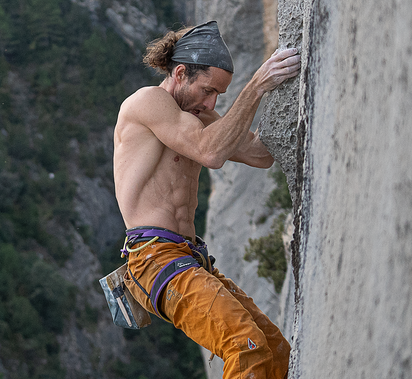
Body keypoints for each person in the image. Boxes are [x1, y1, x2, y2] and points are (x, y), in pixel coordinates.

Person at [114, 21, 299, 379]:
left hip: (189, 257)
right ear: (180, 73)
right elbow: (210, 152)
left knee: (275, 351)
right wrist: (257, 86)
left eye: (218, 95)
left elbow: (261, 155)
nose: (211, 103)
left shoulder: (196, 114)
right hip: (155, 259)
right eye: (207, 90)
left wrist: (286, 98)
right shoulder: (148, 102)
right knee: (245, 345)